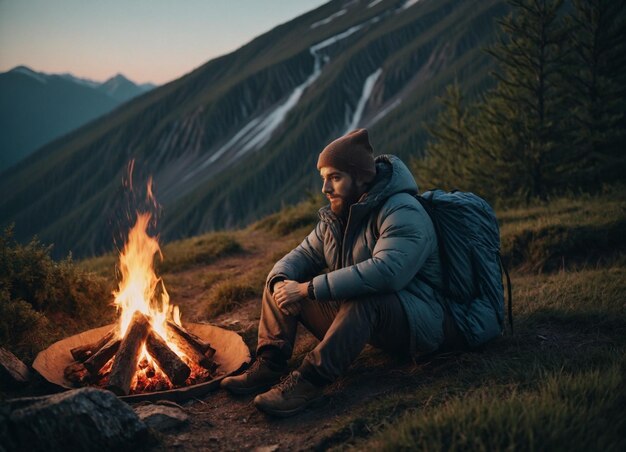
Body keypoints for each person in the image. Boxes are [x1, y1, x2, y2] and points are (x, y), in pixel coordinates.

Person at [221, 128, 464, 417]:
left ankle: (308, 382)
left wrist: (308, 289)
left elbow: (387, 273)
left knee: (365, 299)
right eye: (323, 178)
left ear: (361, 178)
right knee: (283, 279)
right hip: (372, 325)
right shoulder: (338, 214)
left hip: (421, 323)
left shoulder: (403, 211)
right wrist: (282, 281)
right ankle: (270, 363)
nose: (325, 188)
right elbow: (302, 255)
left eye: (334, 178)